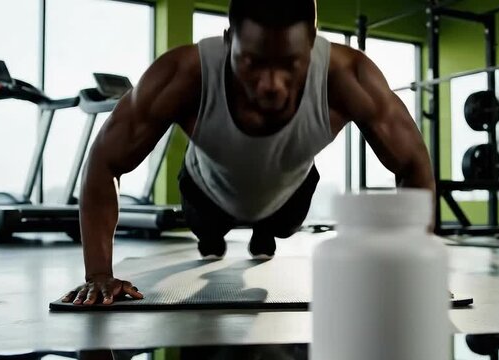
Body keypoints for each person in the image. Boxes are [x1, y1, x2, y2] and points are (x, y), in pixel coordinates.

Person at [62, 0, 435, 306]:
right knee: (209, 237)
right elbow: (104, 161)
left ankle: (264, 231)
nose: (272, 85)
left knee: (281, 228)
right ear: (229, 41)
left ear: (313, 45)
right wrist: (99, 275)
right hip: (205, 192)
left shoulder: (348, 77)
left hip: (291, 193)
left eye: (290, 64)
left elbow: (413, 163)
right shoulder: (184, 73)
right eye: (253, 63)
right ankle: (217, 238)